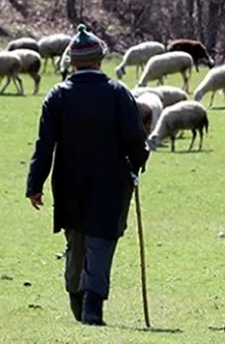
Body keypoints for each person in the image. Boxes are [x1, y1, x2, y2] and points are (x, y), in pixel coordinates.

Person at [25, 24, 149, 326]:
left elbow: (45, 145)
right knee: (101, 240)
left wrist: (35, 184)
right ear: (99, 59)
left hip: (69, 183)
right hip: (110, 183)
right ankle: (92, 304)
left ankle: (76, 297)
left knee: (75, 240)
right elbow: (135, 138)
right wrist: (136, 164)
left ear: (72, 61)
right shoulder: (118, 93)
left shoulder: (58, 96)